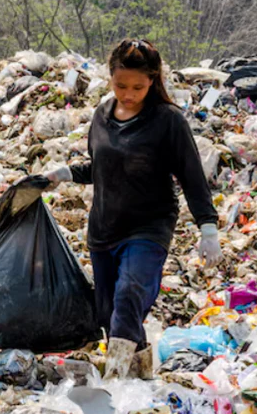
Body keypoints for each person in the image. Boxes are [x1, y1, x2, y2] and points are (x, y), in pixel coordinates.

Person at [42, 39, 220, 377]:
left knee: (129, 295)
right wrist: (66, 173)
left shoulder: (168, 121)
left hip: (149, 227)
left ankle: (115, 382)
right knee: (110, 313)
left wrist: (207, 226)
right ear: (110, 77)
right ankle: (141, 376)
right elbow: (102, 166)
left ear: (153, 81)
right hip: (105, 228)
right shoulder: (102, 116)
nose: (128, 93)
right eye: (121, 85)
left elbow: (192, 176)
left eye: (138, 86)